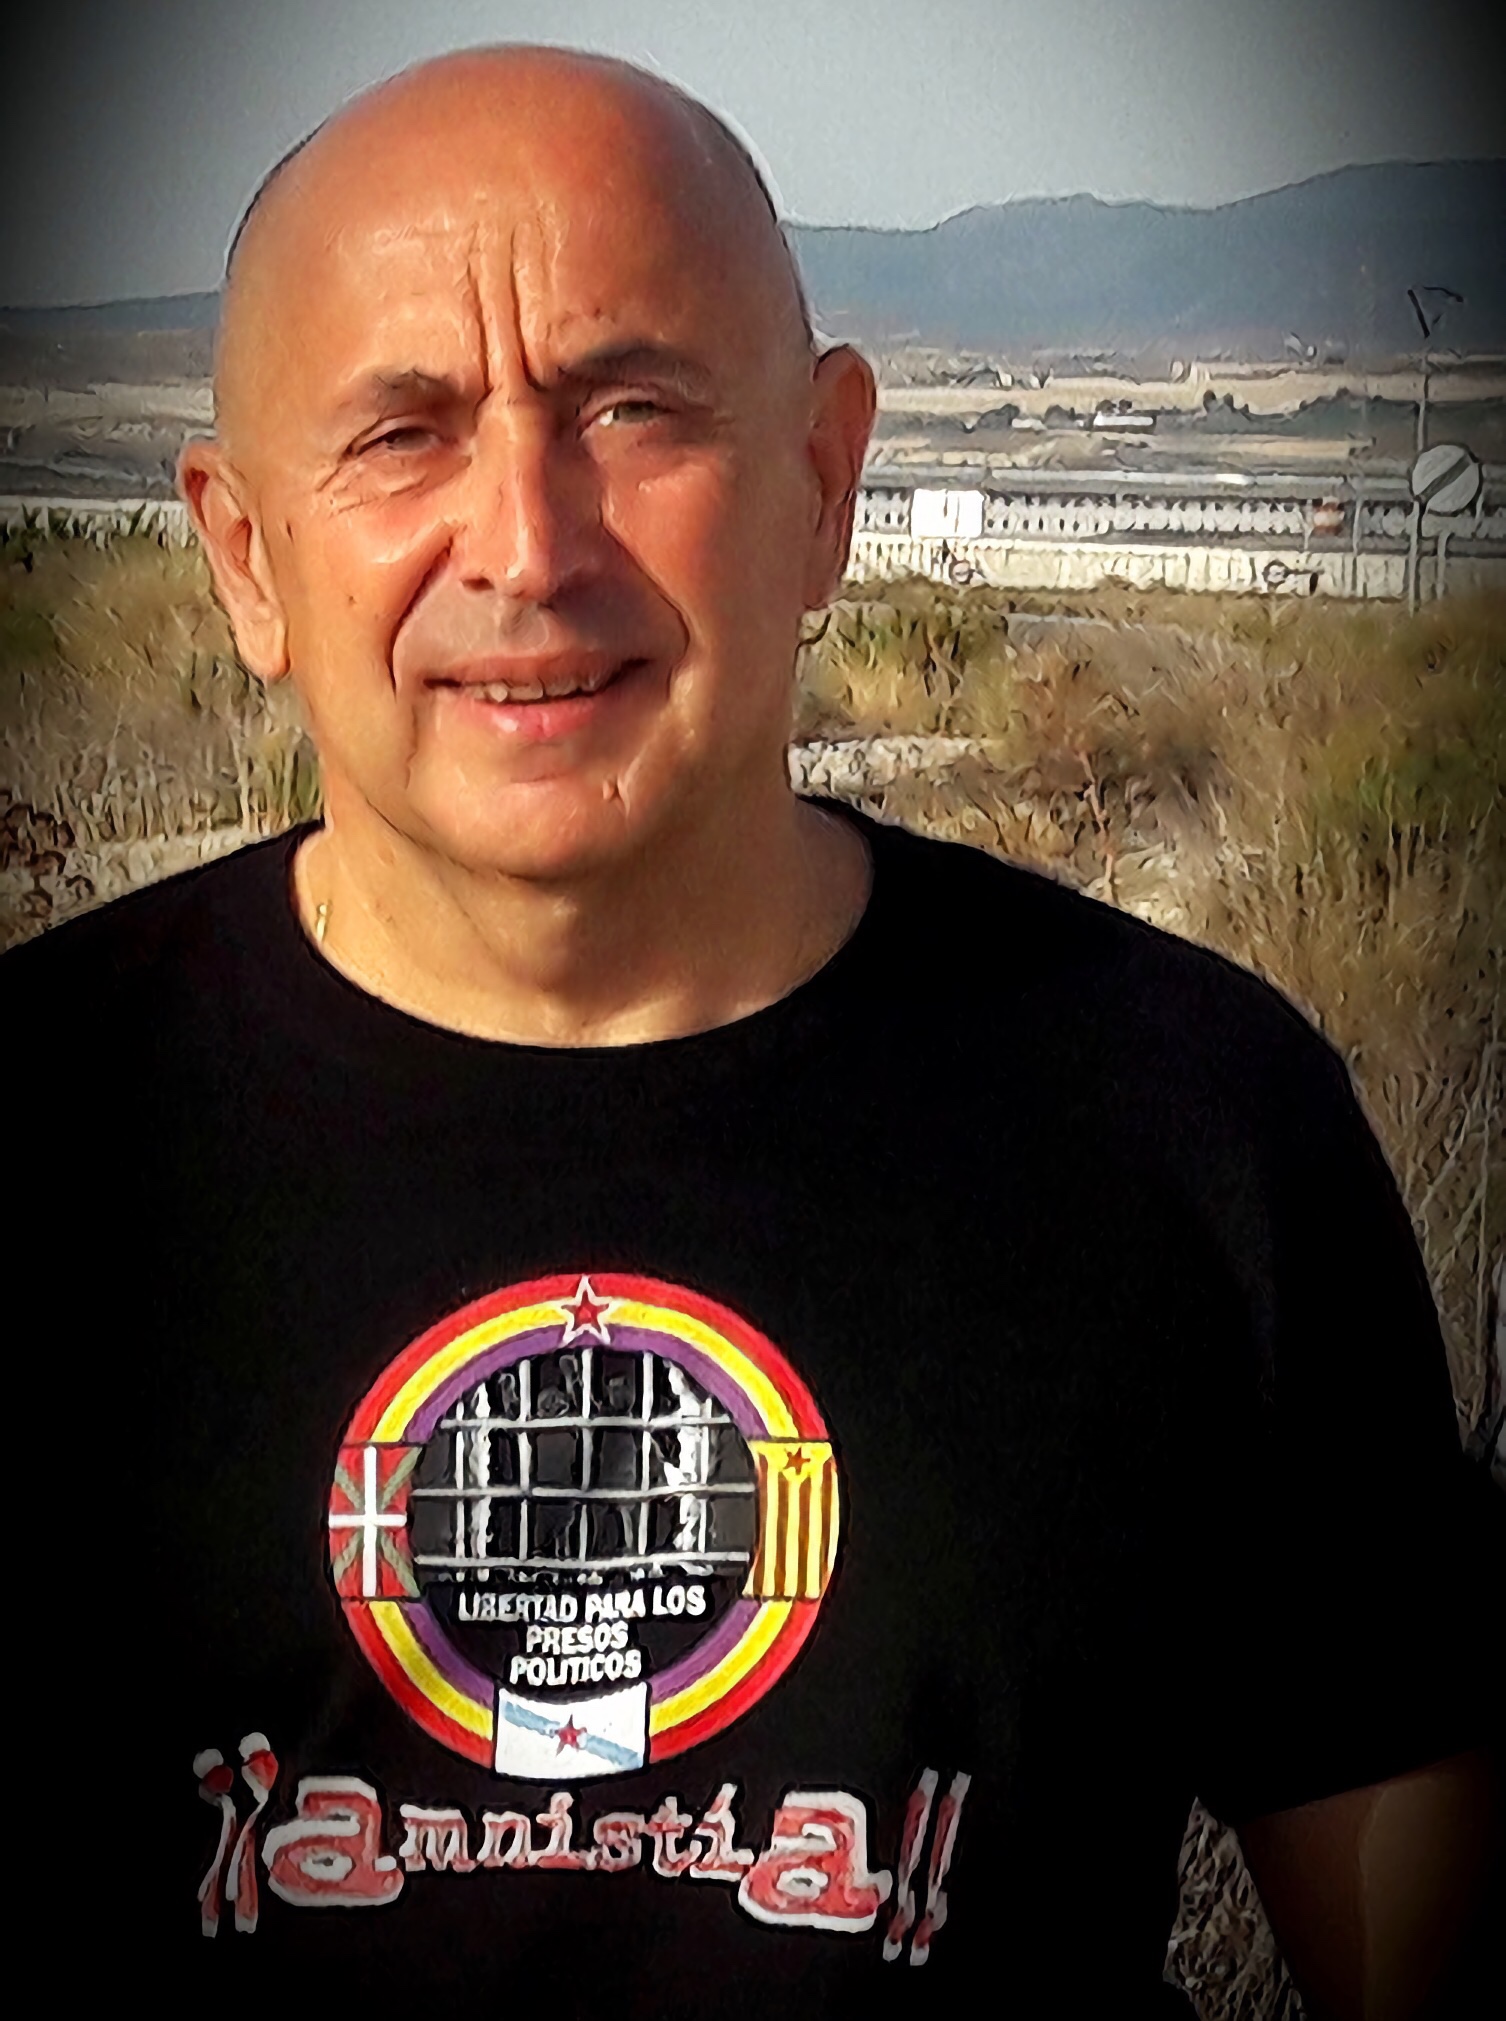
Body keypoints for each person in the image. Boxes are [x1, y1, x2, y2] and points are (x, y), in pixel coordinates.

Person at [5, 46, 1498, 2018]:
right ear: (244, 556)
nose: (528, 545)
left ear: (822, 482)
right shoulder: (38, 1144)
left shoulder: (1190, 1128)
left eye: (632, 409)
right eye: (400, 434)